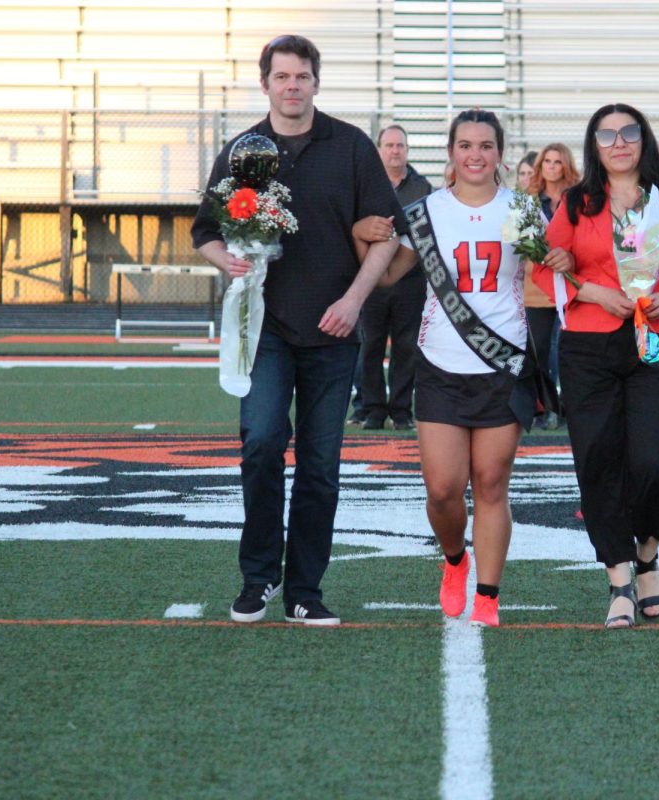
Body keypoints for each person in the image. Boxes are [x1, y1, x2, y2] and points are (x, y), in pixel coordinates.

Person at [192, 34, 407, 626]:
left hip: (334, 332)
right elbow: (205, 229)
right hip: (263, 329)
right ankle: (258, 578)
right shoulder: (243, 150)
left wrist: (354, 300)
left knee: (320, 465)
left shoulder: (353, 146)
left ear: (316, 81)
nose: (292, 86)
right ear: (265, 83)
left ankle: (305, 591)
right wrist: (227, 262)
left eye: (302, 76)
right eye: (282, 77)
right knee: (261, 444)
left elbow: (386, 235)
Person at [363, 110, 569, 627]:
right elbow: (387, 275)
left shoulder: (521, 208)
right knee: (442, 490)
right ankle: (454, 558)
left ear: (499, 153)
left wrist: (566, 261)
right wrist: (358, 234)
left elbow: (549, 273)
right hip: (439, 364)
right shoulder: (426, 211)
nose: (475, 155)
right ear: (451, 153)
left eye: (485, 145)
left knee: (492, 482)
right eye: (464, 145)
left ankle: (488, 597)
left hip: (503, 364)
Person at [533, 103, 659, 629]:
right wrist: (590, 289)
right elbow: (544, 267)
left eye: (628, 132)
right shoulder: (575, 203)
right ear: (594, 145)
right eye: (606, 134)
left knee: (656, 461)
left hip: (653, 342)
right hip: (589, 345)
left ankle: (648, 556)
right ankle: (618, 579)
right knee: (598, 461)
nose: (618, 142)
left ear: (643, 139)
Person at [351, 125, 433, 430]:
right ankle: (373, 409)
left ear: (407, 150)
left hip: (411, 280)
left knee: (406, 347)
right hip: (372, 278)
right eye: (389, 145)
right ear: (379, 150)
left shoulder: (423, 188)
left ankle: (400, 410)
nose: (395, 150)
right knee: (370, 345)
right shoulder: (366, 185)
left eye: (400, 145)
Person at [523, 143, 581, 429]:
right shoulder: (528, 200)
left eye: (558, 161)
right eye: (547, 161)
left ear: (566, 166)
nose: (552, 166)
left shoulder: (580, 199)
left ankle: (571, 407)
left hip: (574, 286)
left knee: (570, 351)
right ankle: (546, 408)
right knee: (539, 352)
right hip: (537, 287)